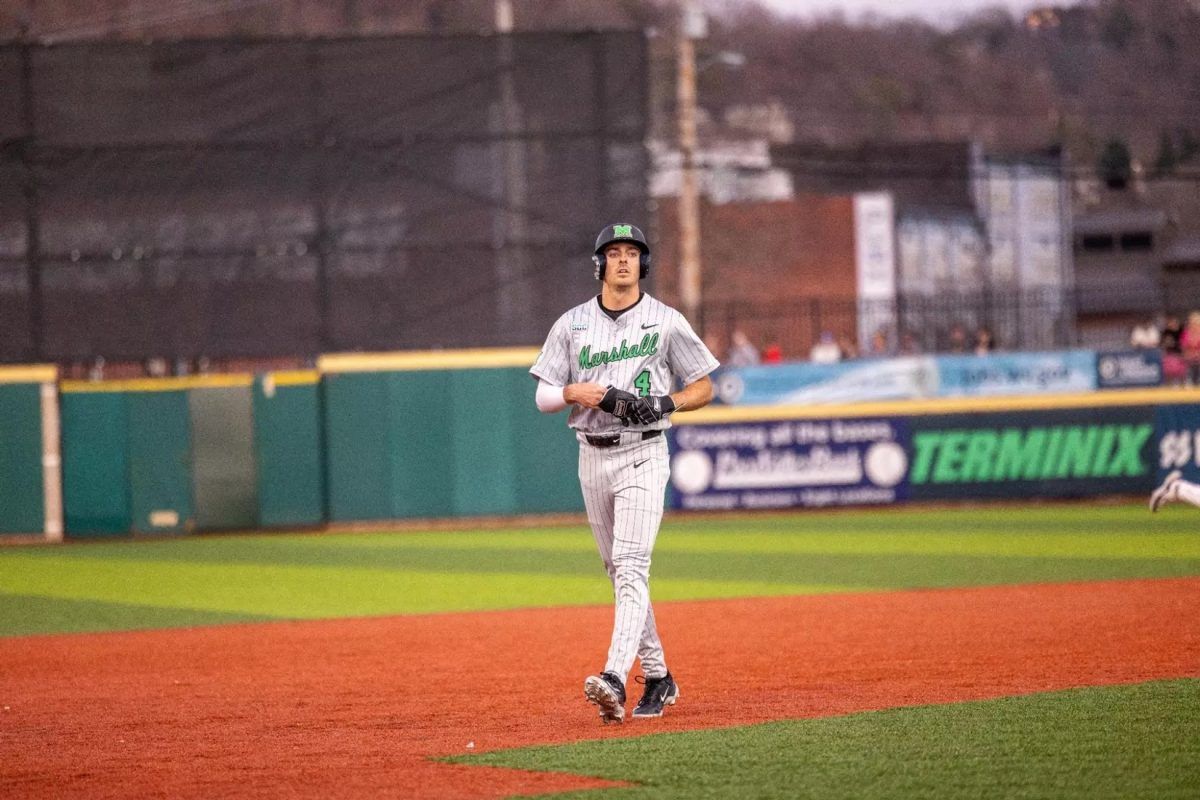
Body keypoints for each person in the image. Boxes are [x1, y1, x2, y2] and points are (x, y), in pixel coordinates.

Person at [530, 222, 719, 724]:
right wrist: (575, 392)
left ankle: (613, 676)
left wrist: (665, 400)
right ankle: (658, 676)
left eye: (631, 253)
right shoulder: (571, 324)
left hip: (644, 451)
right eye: (612, 253)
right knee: (619, 573)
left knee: (632, 567)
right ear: (599, 265)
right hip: (590, 452)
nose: (622, 260)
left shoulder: (665, 320)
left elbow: (703, 385)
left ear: (643, 264)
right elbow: (543, 396)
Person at [1181, 311, 1200, 386]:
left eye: (1196, 322)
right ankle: (1189, 382)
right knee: (1189, 372)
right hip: (1189, 358)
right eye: (1192, 322)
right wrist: (1189, 354)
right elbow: (1184, 346)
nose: (1194, 324)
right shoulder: (1186, 333)